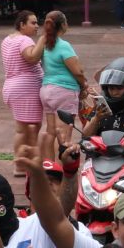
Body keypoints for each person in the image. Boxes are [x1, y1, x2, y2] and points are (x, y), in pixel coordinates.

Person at [37, 10, 88, 162]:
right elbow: (77, 71)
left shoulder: (44, 44)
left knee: (50, 132)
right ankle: (63, 169)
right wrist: (84, 84)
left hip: (46, 90)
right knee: (63, 134)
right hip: (63, 92)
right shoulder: (63, 45)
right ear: (63, 25)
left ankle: (49, 168)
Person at [1, 9, 45, 168]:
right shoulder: (25, 41)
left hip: (13, 87)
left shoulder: (7, 39)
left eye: (37, 23)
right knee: (28, 130)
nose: (36, 26)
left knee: (23, 129)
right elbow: (32, 58)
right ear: (21, 24)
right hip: (26, 90)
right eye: (32, 23)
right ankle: (22, 164)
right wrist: (42, 41)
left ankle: (23, 163)